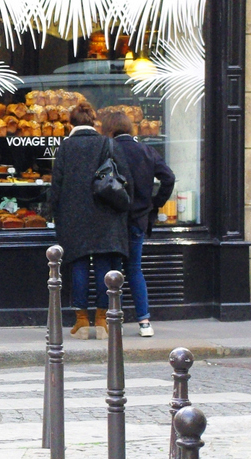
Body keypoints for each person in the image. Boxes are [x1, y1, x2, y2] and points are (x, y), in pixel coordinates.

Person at [48, 101, 129, 339]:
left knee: (79, 266)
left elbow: (57, 185)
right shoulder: (107, 143)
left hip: (74, 217)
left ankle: (82, 322)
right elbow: (124, 178)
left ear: (70, 123)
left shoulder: (66, 147)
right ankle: (102, 322)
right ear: (94, 122)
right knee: (105, 266)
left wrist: (55, 213)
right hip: (106, 215)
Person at [102, 110, 176, 338]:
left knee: (114, 270)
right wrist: (155, 203)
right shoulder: (146, 150)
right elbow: (169, 178)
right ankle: (144, 322)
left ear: (110, 129)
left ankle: (117, 319)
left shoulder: (108, 150)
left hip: (113, 217)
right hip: (138, 218)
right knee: (134, 268)